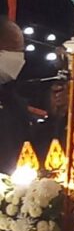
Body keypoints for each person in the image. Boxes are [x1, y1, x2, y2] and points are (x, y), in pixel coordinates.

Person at [0, 17, 31, 174]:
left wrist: (55, 118)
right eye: (13, 50)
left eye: (21, 51)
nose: (19, 58)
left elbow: (27, 146)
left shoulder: (14, 101)